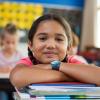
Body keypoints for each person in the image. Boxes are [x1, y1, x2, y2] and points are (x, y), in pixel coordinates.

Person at [10, 14, 100, 89]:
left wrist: (57, 65)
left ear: (68, 47)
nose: (51, 45)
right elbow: (17, 77)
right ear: (31, 45)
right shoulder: (27, 62)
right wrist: (65, 76)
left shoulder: (71, 62)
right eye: (43, 38)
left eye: (59, 39)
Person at [0, 23, 23, 100]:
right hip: (1, 88)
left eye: (13, 42)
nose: (10, 46)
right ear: (2, 40)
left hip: (15, 88)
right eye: (7, 42)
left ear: (18, 41)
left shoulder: (19, 55)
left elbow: (24, 70)